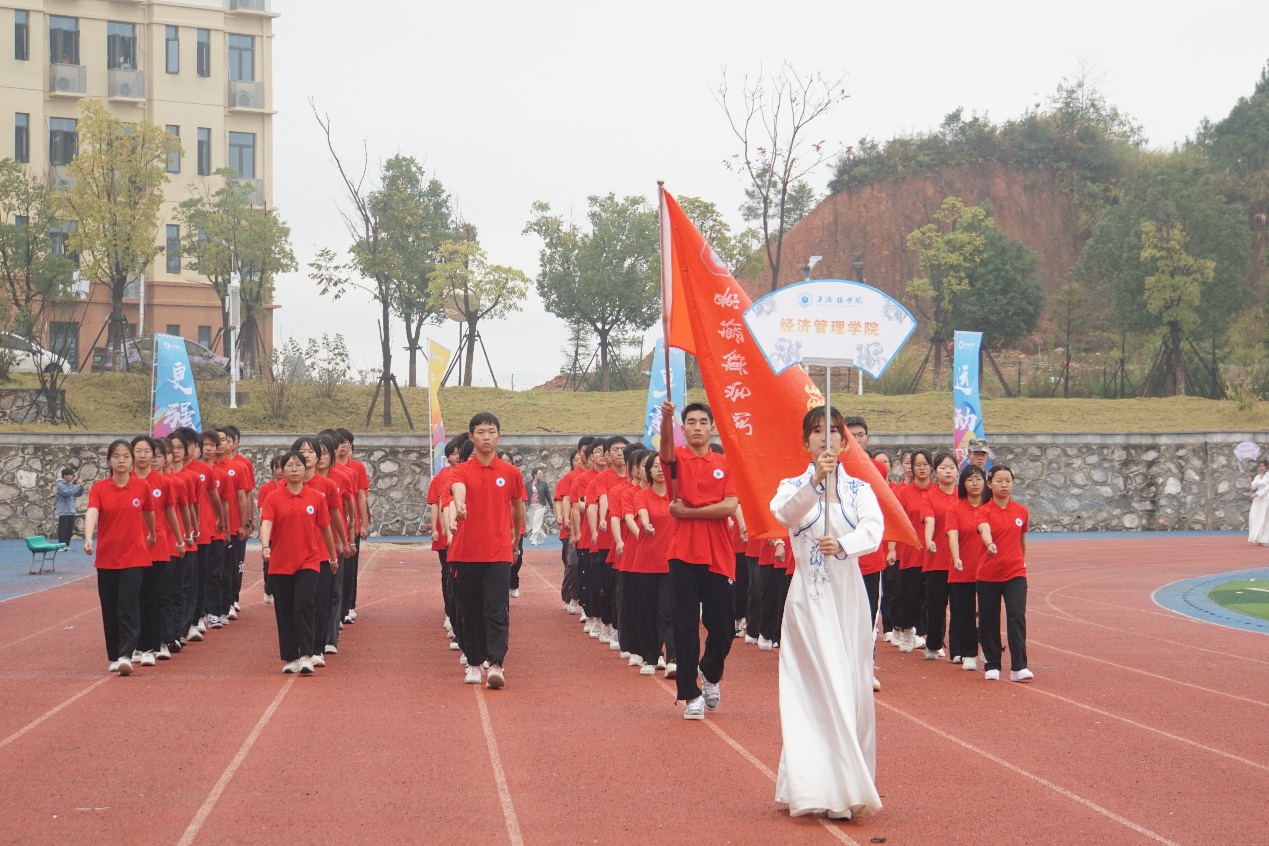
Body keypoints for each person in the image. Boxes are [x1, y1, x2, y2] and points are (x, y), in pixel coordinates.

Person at [770, 406, 883, 821]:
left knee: (850, 686)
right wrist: (816, 480)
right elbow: (784, 514)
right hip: (809, 601)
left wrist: (846, 545)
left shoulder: (860, 489)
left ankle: (842, 788)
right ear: (806, 441)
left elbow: (874, 529)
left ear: (844, 441)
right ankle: (817, 786)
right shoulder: (791, 486)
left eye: (833, 431)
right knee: (814, 688)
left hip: (848, 598)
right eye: (817, 431)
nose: (825, 438)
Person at [659, 400, 739, 721]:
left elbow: (730, 506)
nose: (696, 427)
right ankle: (690, 694)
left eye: (702, 422)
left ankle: (710, 671)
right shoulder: (677, 460)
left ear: (711, 428)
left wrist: (689, 512)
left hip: (718, 554)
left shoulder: (724, 463)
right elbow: (666, 449)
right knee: (685, 626)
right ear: (684, 428)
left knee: (724, 628)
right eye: (690, 422)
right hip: (683, 553)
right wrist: (666, 420)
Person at [445, 412, 526, 689]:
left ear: (499, 436)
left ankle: (496, 662)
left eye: (491, 431)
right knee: (470, 609)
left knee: (496, 608)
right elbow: (458, 489)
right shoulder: (461, 471)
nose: (486, 437)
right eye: (480, 432)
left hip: (498, 552)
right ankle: (474, 661)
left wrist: (515, 539)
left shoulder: (511, 473)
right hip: (466, 552)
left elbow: (517, 507)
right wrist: (460, 505)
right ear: (471, 437)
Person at [259, 450, 337, 675]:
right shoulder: (273, 497)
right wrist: (265, 546)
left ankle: (307, 654)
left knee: (303, 604)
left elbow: (325, 529)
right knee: (284, 610)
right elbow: (266, 522)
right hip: (280, 563)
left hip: (308, 561)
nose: (294, 469)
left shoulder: (316, 497)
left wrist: (332, 557)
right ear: (282, 470)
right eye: (289, 465)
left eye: (298, 465)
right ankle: (291, 656)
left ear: (306, 469)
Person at [83, 440, 156, 676]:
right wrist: (88, 538)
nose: (121, 460)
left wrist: (153, 534)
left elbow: (149, 512)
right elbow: (92, 511)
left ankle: (126, 654)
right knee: (110, 607)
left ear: (131, 460)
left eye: (125, 456)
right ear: (109, 461)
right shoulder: (99, 488)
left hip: (134, 557)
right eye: (116, 456)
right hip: (106, 557)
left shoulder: (141, 486)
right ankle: (115, 655)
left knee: (128, 605)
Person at [975, 465, 1033, 682]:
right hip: (988, 574)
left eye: (1008, 481)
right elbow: (984, 529)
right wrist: (989, 544)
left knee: (1016, 616)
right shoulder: (983, 511)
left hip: (1015, 574)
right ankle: (992, 664)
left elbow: (1021, 540)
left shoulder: (1021, 511)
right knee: (989, 619)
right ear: (989, 484)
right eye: (999, 481)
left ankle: (1019, 667)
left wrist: (1021, 561)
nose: (1004, 485)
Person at [891, 449, 933, 652]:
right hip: (911, 553)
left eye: (925, 464)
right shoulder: (903, 494)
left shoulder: (938, 492)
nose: (921, 468)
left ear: (931, 467)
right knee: (910, 596)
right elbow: (896, 523)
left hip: (934, 555)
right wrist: (892, 549)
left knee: (932, 598)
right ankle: (907, 631)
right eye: (917, 465)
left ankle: (929, 636)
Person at [946, 464, 987, 670]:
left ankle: (988, 648)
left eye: (978, 479)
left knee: (988, 611)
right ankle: (969, 653)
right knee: (964, 612)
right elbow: (952, 535)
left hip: (988, 568)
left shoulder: (990, 507)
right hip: (962, 568)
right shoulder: (955, 508)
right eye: (970, 479)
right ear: (963, 483)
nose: (975, 483)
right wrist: (956, 557)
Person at [919, 452, 959, 661]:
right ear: (935, 472)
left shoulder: (963, 496)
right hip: (936, 559)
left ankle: (959, 650)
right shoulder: (929, 496)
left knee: (960, 606)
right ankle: (933, 644)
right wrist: (928, 540)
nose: (948, 471)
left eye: (951, 467)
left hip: (960, 561)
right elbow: (929, 520)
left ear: (957, 471)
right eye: (943, 468)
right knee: (936, 605)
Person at [55, 468, 84, 546]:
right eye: (70, 475)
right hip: (64, 511)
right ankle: (61, 546)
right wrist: (78, 486)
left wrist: (81, 486)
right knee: (63, 530)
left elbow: (77, 494)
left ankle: (67, 545)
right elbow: (68, 493)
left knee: (69, 530)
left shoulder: (71, 485)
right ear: (65, 476)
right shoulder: (60, 485)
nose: (72, 477)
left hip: (71, 511)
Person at [527, 468, 551, 545]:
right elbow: (524, 493)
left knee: (536, 522)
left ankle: (533, 539)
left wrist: (551, 505)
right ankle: (543, 536)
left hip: (540, 505)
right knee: (532, 524)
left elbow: (547, 495)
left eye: (541, 473)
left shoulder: (544, 484)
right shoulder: (528, 484)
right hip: (531, 505)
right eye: (539, 473)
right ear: (535, 474)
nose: (541, 475)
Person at [1249, 460, 1269, 546]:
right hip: (1258, 499)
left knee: (1264, 517)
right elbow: (1253, 487)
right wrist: (1250, 482)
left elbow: (1267, 488)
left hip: (1266, 497)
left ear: (1267, 466)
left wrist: (1257, 494)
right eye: (1260, 466)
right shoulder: (1258, 476)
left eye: (1263, 466)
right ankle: (1259, 538)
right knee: (1255, 516)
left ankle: (1265, 539)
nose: (1261, 468)